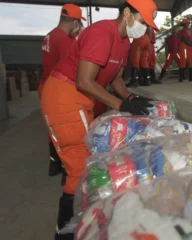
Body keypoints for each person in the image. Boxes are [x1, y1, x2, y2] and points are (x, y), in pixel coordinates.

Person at [40, 1, 158, 239]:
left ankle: (87, 222)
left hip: (83, 100)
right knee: (81, 169)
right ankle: (65, 231)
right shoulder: (102, 33)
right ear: (127, 13)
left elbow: (114, 79)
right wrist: (122, 105)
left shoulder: (124, 41)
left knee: (92, 160)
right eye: (143, 21)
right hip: (65, 97)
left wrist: (131, 96)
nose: (144, 28)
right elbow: (84, 81)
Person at [39, 3, 85, 181]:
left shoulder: (50, 36)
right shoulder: (65, 41)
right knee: (67, 132)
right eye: (79, 22)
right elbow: (74, 68)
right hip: (58, 88)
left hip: (45, 86)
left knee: (53, 129)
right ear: (73, 21)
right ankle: (69, 173)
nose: (79, 26)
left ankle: (54, 164)